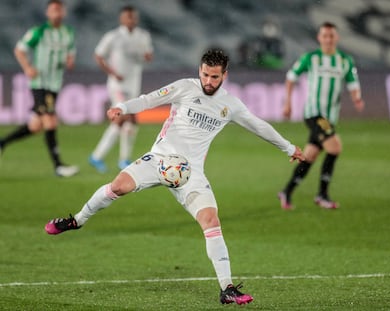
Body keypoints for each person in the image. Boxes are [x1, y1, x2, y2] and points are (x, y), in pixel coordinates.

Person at [45, 49, 305, 305]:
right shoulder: (184, 87)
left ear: (225, 75)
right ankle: (77, 220)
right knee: (117, 187)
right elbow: (148, 100)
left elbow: (259, 126)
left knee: (211, 220)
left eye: (215, 77)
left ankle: (227, 288)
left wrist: (289, 147)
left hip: (190, 172)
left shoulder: (230, 105)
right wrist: (123, 107)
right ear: (199, 71)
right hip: (159, 159)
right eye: (205, 75)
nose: (208, 82)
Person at [278, 22, 365, 210]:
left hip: (329, 117)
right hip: (314, 114)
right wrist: (288, 102)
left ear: (337, 38)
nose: (328, 39)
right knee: (335, 148)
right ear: (319, 38)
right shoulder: (310, 58)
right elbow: (291, 76)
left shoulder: (345, 60)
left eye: (331, 36)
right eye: (324, 35)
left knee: (309, 156)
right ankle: (322, 195)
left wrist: (357, 98)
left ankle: (287, 191)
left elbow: (352, 82)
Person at [0, 0, 79, 177]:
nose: (57, 13)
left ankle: (2, 142)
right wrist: (28, 67)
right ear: (47, 13)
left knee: (35, 126)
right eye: (53, 10)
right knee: (50, 120)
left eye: (59, 9)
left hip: (55, 84)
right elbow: (19, 50)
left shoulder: (68, 33)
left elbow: (70, 57)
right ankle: (59, 166)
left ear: (63, 13)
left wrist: (69, 62)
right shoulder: (39, 31)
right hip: (40, 84)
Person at [88, 5, 154, 173]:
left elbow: (148, 56)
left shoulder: (143, 36)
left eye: (133, 17)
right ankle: (119, 159)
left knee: (126, 121)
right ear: (122, 19)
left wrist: (147, 57)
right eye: (128, 17)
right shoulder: (113, 36)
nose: (131, 20)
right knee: (125, 117)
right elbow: (98, 55)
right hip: (118, 85)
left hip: (133, 84)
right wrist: (112, 73)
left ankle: (100, 157)